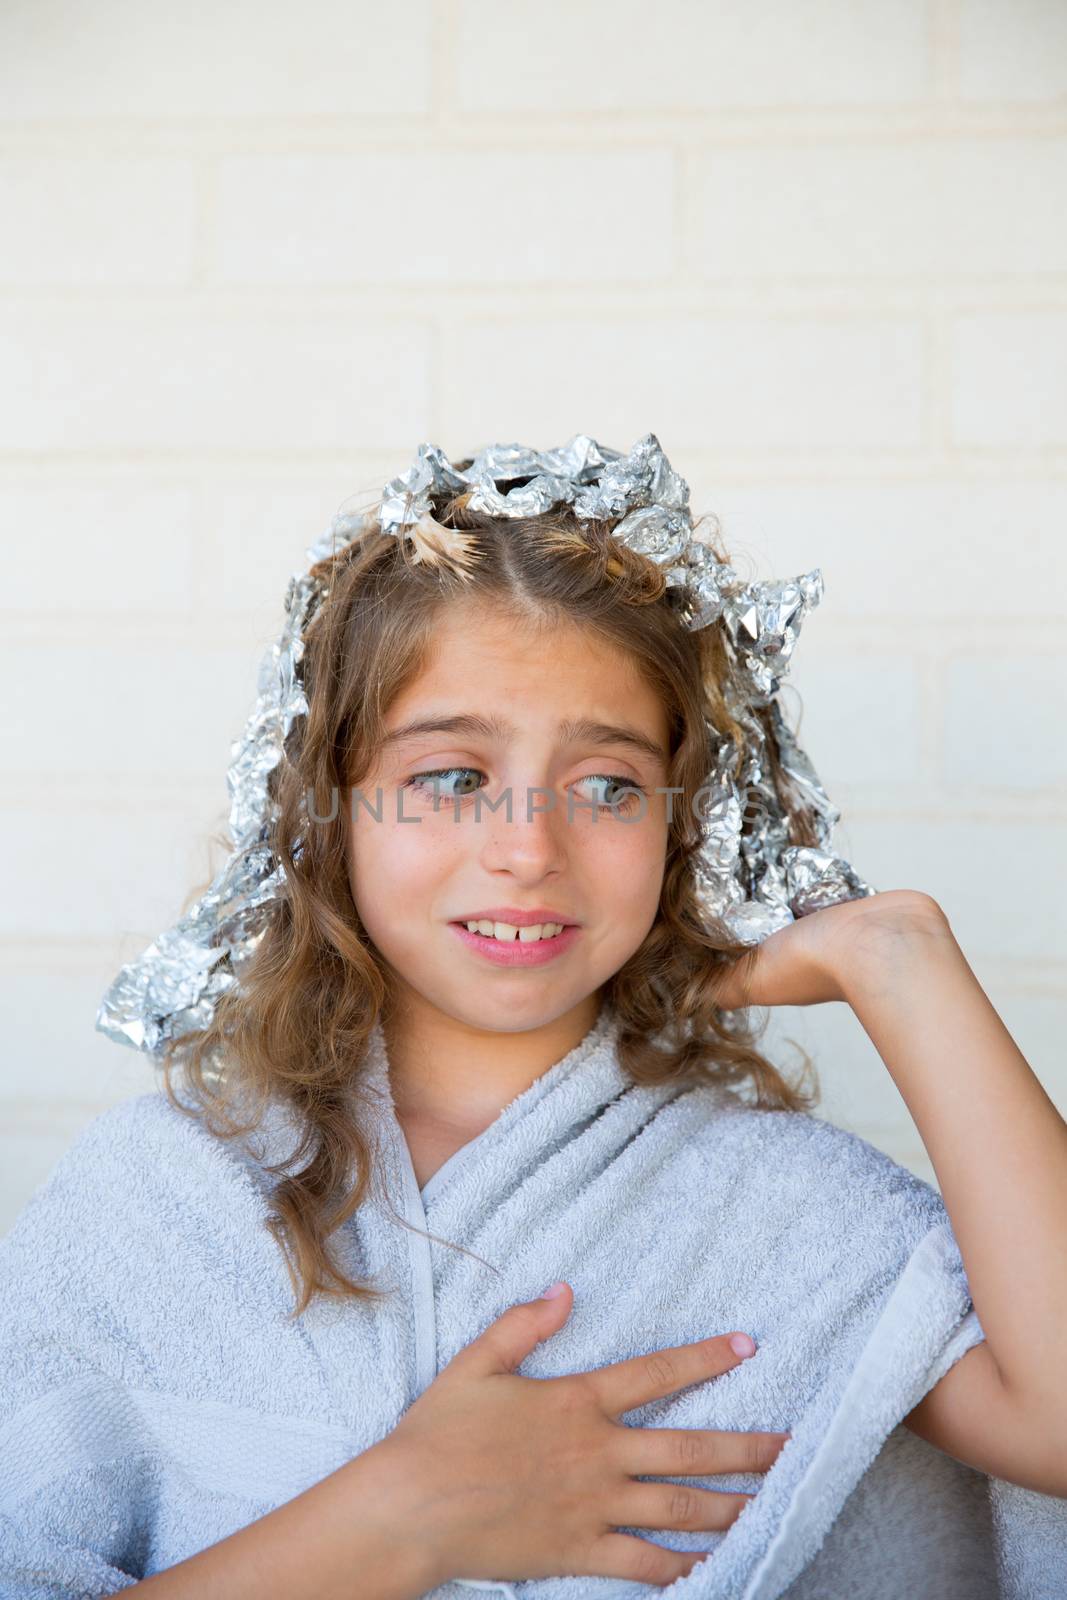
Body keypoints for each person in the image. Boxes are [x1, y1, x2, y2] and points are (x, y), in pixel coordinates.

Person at [2, 441, 1066, 1599]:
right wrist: (401, 1517)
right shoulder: (156, 1200)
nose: (526, 849)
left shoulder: (772, 1207)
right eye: (451, 777)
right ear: (330, 805)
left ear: (680, 819)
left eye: (606, 785)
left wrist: (899, 965)